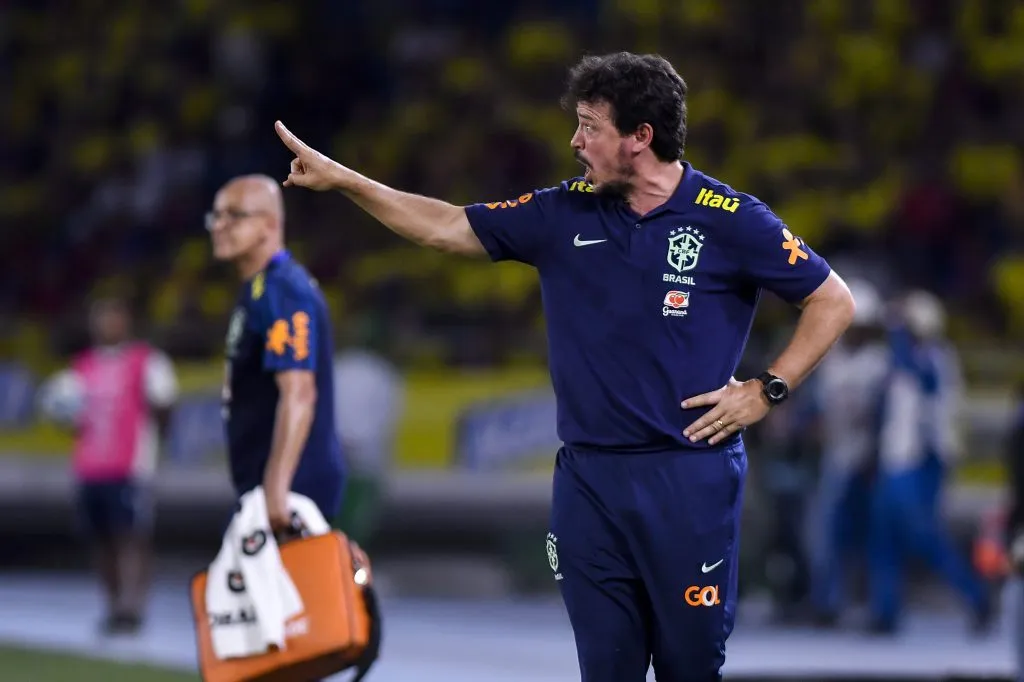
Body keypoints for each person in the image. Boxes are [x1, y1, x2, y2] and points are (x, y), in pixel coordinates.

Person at [274, 52, 855, 681]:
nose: (575, 141)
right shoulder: (560, 212)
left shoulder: (731, 219)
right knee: (606, 670)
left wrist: (767, 391)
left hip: (689, 481)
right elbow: (446, 227)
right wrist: (350, 181)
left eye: (590, 126)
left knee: (691, 669)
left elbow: (832, 300)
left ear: (640, 138)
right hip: (589, 484)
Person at [206, 174, 346, 532]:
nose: (219, 226)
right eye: (216, 216)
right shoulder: (257, 289)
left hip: (292, 491)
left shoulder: (284, 290)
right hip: (265, 487)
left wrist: (277, 489)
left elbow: (299, 392)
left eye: (234, 216)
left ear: (269, 223)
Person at [37, 297, 178, 635]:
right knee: (100, 541)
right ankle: (113, 605)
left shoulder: (146, 360)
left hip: (130, 466)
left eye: (113, 317)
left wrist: (157, 438)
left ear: (126, 321)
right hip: (90, 466)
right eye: (100, 318)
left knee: (131, 537)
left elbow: (166, 408)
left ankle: (133, 608)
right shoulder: (82, 367)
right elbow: (71, 417)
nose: (106, 324)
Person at [867, 289, 990, 634]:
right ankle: (885, 612)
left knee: (924, 537)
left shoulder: (936, 357)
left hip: (922, 460)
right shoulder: (897, 359)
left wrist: (895, 328)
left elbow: (921, 379)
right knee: (883, 537)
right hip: (894, 459)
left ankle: (976, 596)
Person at [808, 279, 890, 626]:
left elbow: (884, 414)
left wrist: (875, 454)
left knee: (872, 537)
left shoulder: (880, 361)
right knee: (824, 534)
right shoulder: (829, 355)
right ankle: (827, 603)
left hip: (870, 459)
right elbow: (815, 407)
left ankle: (873, 607)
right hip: (836, 457)